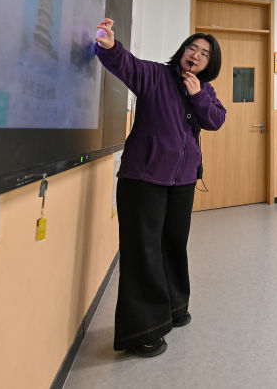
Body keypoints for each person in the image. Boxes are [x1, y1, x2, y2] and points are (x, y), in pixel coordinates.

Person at [93, 18, 226, 358]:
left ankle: (175, 309)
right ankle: (143, 331)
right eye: (192, 48)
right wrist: (109, 45)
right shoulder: (154, 75)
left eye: (204, 53)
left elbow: (215, 120)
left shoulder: (204, 90)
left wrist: (197, 95)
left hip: (183, 181)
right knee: (144, 251)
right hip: (144, 178)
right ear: (182, 51)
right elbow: (126, 64)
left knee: (173, 245)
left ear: (209, 64)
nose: (195, 55)